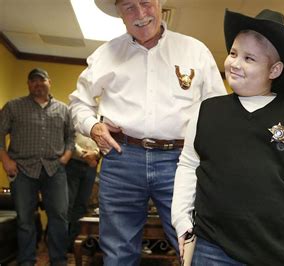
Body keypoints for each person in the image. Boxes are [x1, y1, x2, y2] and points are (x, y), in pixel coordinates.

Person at [172, 9, 284, 265]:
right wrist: (181, 220)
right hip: (212, 249)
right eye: (233, 53)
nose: (235, 63)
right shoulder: (207, 111)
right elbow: (188, 164)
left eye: (249, 58)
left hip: (280, 253)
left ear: (274, 70)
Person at [68, 0, 226, 264]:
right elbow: (79, 102)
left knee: (194, 246)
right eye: (129, 6)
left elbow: (217, 111)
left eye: (145, 2)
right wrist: (93, 126)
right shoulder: (105, 54)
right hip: (121, 158)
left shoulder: (195, 51)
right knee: (117, 253)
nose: (140, 14)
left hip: (181, 161)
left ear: (159, 3)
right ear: (119, 13)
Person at [0, 68, 75, 266]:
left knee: (59, 217)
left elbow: (71, 136)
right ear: (28, 84)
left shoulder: (63, 109)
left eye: (41, 80)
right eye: (33, 81)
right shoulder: (13, 107)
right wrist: (5, 160)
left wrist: (67, 155)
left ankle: (58, 261)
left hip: (54, 169)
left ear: (49, 82)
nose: (38, 84)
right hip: (22, 170)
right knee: (25, 219)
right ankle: (26, 261)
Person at [66, 133, 99, 251]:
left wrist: (95, 153)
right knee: (66, 206)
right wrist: (84, 154)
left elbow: (105, 139)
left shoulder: (103, 115)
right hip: (72, 162)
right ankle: (60, 246)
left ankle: (73, 244)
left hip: (92, 165)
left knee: (81, 206)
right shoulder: (72, 113)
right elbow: (67, 136)